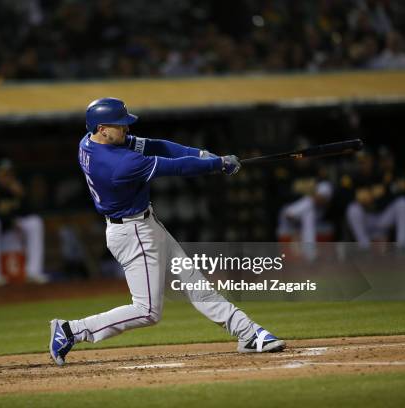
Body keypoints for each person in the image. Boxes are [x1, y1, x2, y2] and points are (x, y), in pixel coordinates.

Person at [49, 97, 285, 366]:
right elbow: (174, 166)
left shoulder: (88, 141)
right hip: (133, 234)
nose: (126, 129)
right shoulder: (119, 164)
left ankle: (248, 333)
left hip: (145, 224)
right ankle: (70, 331)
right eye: (121, 125)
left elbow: (155, 145)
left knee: (196, 284)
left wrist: (197, 153)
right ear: (103, 128)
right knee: (147, 311)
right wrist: (217, 164)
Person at [0, 159, 47, 286]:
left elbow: (29, 212)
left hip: (9, 227)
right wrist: (9, 220)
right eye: (3, 174)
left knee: (35, 222)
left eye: (9, 174)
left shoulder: (16, 188)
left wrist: (22, 196)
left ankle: (33, 272)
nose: (7, 177)